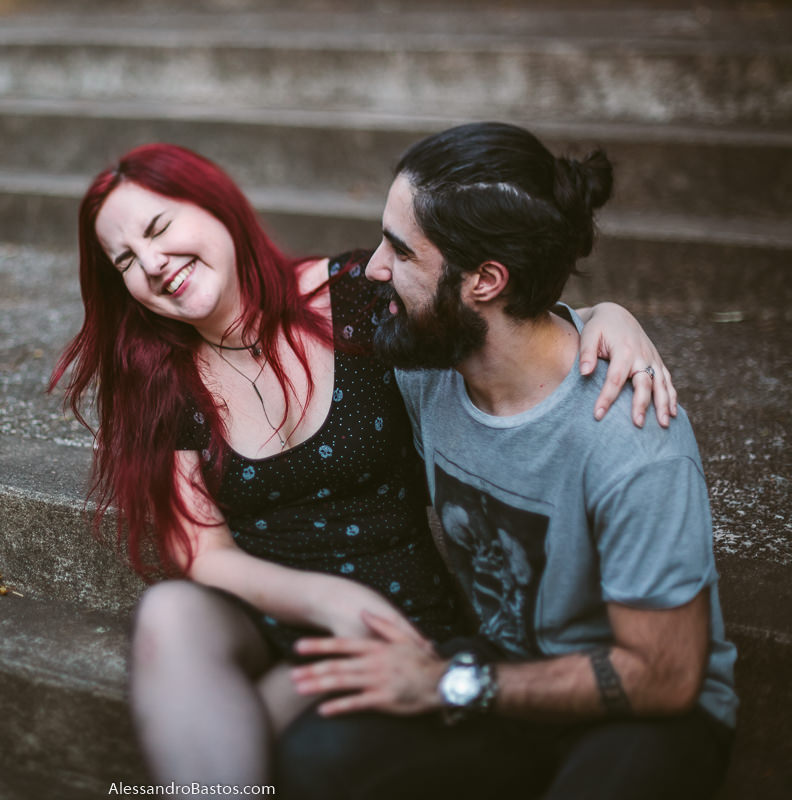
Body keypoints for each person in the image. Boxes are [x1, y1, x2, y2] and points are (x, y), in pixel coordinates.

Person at [50, 142, 677, 791]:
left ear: (217, 208)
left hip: (395, 624)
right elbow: (199, 549)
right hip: (269, 613)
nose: (151, 264)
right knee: (169, 614)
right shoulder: (159, 371)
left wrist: (605, 316)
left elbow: (488, 320)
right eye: (124, 258)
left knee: (266, 748)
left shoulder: (354, 295)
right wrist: (323, 597)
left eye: (158, 228)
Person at [281, 122, 736, 799]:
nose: (373, 268)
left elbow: (664, 677)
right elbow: (242, 303)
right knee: (318, 758)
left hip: (647, 711)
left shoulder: (631, 440)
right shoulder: (426, 360)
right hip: (507, 666)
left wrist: (445, 683)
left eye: (400, 250)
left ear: (487, 280)